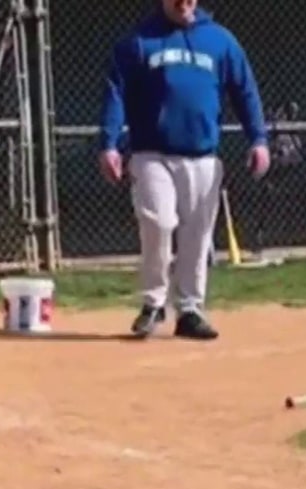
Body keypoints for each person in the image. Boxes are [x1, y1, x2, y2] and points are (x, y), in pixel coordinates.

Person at [98, 0, 271, 340]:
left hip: (202, 155)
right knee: (158, 222)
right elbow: (115, 93)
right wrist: (108, 143)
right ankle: (153, 303)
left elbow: (245, 91)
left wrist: (259, 139)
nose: (183, 2)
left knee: (198, 233)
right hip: (151, 153)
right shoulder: (138, 41)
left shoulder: (220, 41)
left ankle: (190, 309)